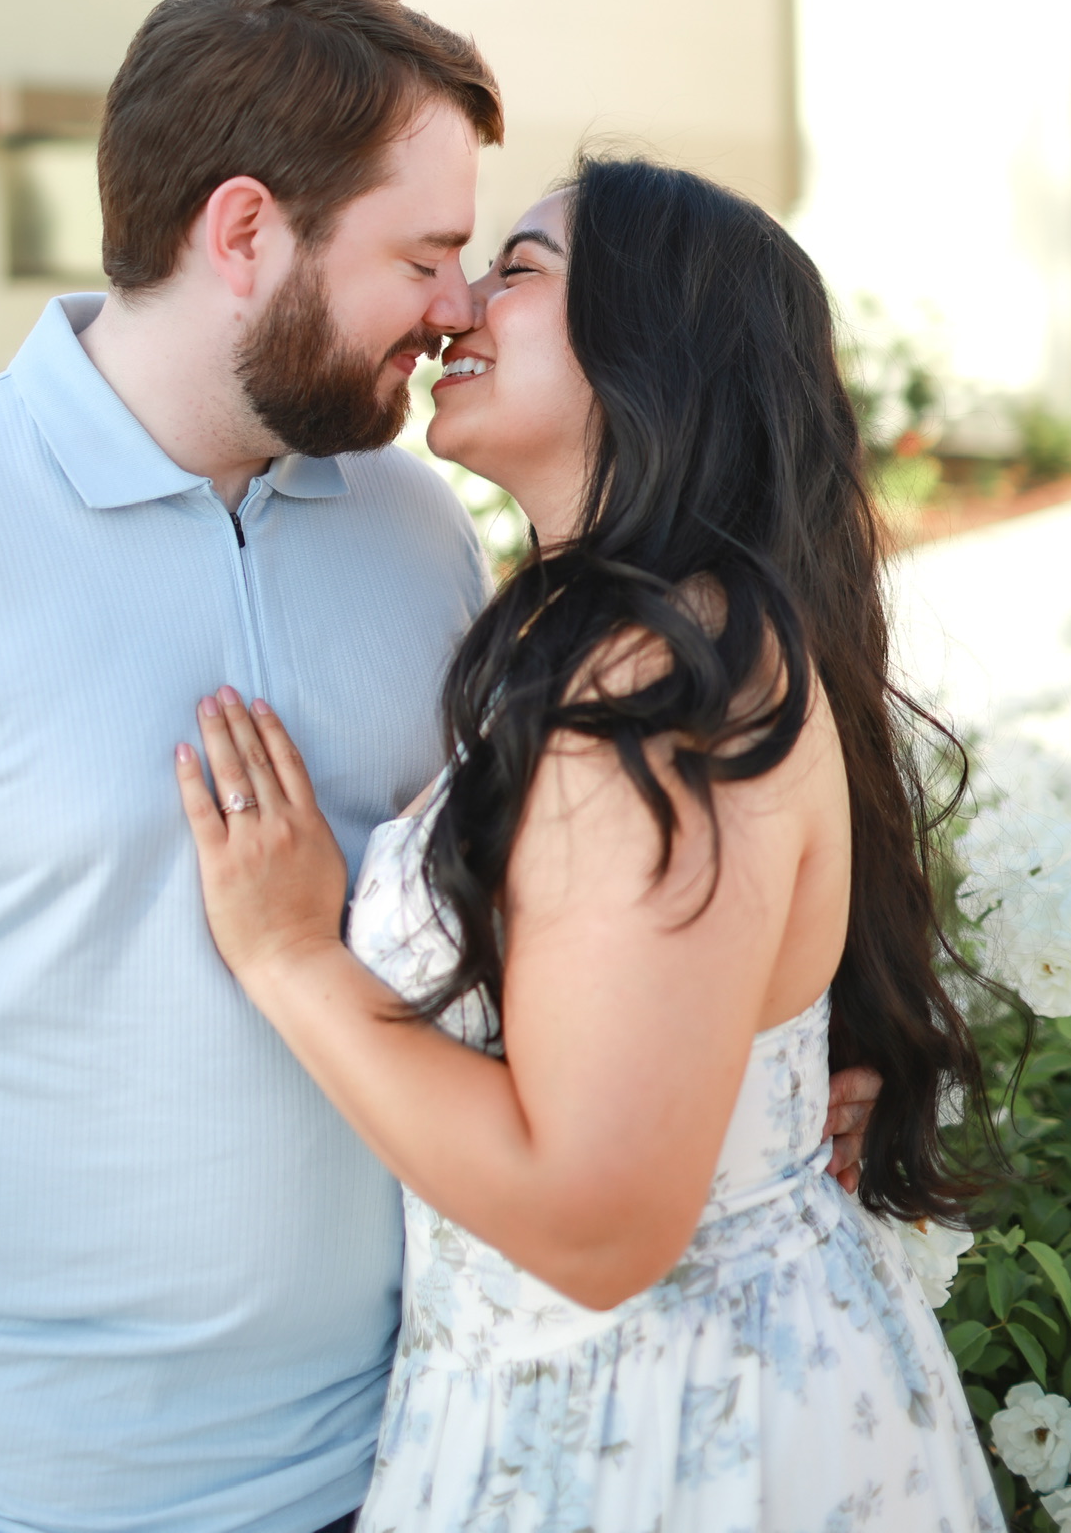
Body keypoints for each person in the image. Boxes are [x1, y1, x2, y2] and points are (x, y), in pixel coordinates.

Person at [0, 0, 877, 1533]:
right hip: (20, 1494)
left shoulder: (419, 527)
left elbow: (601, 895)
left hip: (417, 1448)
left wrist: (764, 1077)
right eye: (427, 255)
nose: (453, 304)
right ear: (245, 234)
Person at [175, 157, 1002, 1532]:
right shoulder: (659, 641)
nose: (457, 311)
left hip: (649, 1434)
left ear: (651, 347)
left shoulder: (657, 686)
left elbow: (601, 1224)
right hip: (643, 1399)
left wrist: (289, 959)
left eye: (520, 269)